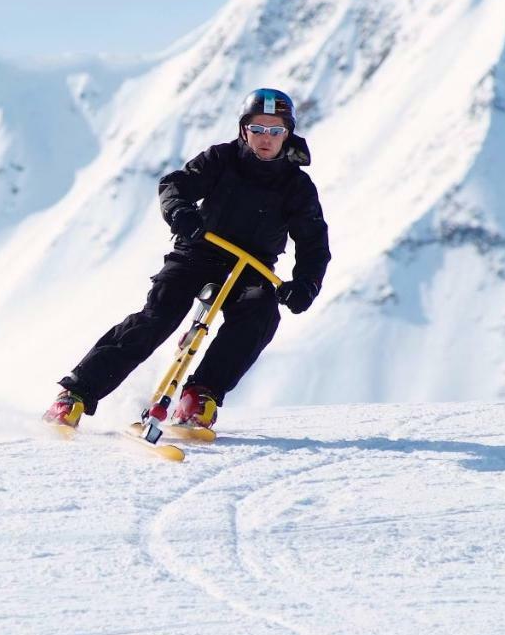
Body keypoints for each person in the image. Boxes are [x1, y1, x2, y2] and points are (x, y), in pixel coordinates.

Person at [44, 88, 331, 431]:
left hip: (251, 269)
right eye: (257, 129)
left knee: (260, 314)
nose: (265, 138)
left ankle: (200, 396)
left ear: (288, 133)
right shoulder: (220, 160)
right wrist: (180, 211)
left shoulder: (297, 186)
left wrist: (306, 285)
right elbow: (175, 185)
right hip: (198, 250)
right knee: (159, 315)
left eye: (275, 130)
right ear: (243, 130)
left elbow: (314, 242)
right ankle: (74, 395)